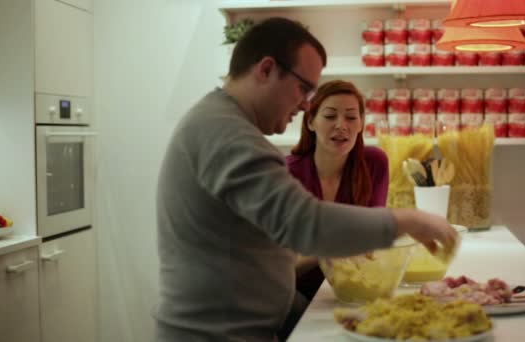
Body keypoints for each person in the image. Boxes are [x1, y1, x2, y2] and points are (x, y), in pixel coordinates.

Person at [154, 17, 456, 342]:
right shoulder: (228, 136)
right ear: (266, 69)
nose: (305, 104)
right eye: (304, 88)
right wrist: (404, 220)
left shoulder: (220, 123)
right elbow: (305, 224)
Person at [287, 80, 389, 302]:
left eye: (351, 117)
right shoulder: (286, 173)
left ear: (361, 123)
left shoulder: (375, 163)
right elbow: (275, 271)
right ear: (311, 121)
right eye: (330, 116)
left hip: (354, 288)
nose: (342, 125)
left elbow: (372, 240)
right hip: (298, 292)